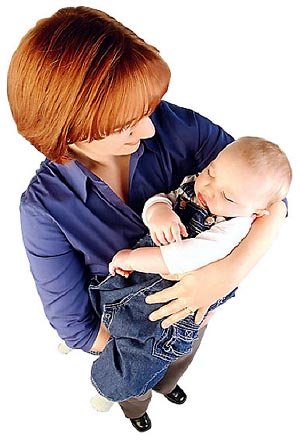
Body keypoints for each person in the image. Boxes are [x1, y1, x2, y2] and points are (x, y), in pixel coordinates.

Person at [7, 6, 288, 433]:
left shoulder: (170, 124)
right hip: (129, 326)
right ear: (72, 129)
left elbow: (266, 193)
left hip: (195, 313)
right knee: (131, 384)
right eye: (127, 124)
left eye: (147, 109)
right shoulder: (44, 209)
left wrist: (225, 275)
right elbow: (71, 319)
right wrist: (135, 347)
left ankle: (168, 383)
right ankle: (135, 406)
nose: (150, 129)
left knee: (182, 361)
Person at [89, 136, 291, 403]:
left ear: (257, 213)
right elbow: (164, 198)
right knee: (104, 299)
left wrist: (131, 257)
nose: (208, 187)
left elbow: (181, 259)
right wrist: (159, 211)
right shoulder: (200, 186)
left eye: (227, 196)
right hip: (141, 282)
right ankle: (81, 340)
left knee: (140, 357)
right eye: (211, 172)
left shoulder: (234, 228)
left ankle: (113, 393)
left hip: (172, 308)